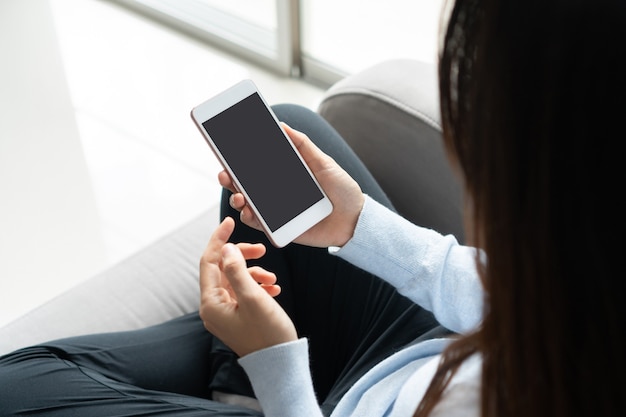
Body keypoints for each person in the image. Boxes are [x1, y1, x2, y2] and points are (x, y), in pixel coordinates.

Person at [0, 0, 624, 416]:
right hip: (418, 360)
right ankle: (238, 367)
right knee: (284, 134)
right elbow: (509, 292)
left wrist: (277, 367)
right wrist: (359, 227)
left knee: (21, 381)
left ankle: (244, 374)